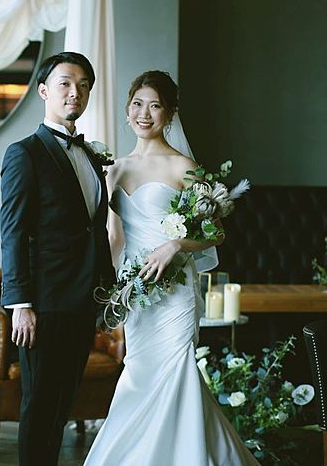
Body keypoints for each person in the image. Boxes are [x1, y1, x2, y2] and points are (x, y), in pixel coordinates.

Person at [84, 70, 258, 465]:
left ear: (169, 114)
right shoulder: (114, 169)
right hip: (135, 289)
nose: (144, 114)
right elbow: (112, 236)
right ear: (127, 110)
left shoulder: (184, 167)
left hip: (175, 290)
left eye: (155, 106)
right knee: (139, 373)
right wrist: (111, 287)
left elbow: (216, 234)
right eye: (137, 104)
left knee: (175, 371)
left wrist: (175, 245)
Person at [0, 51, 116, 466]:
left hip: (84, 300)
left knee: (64, 402)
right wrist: (21, 304)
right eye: (65, 83)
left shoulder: (92, 156)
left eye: (83, 85)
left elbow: (94, 229)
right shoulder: (24, 153)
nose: (74, 92)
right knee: (40, 405)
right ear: (44, 91)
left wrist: (106, 291)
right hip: (44, 304)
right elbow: (13, 232)